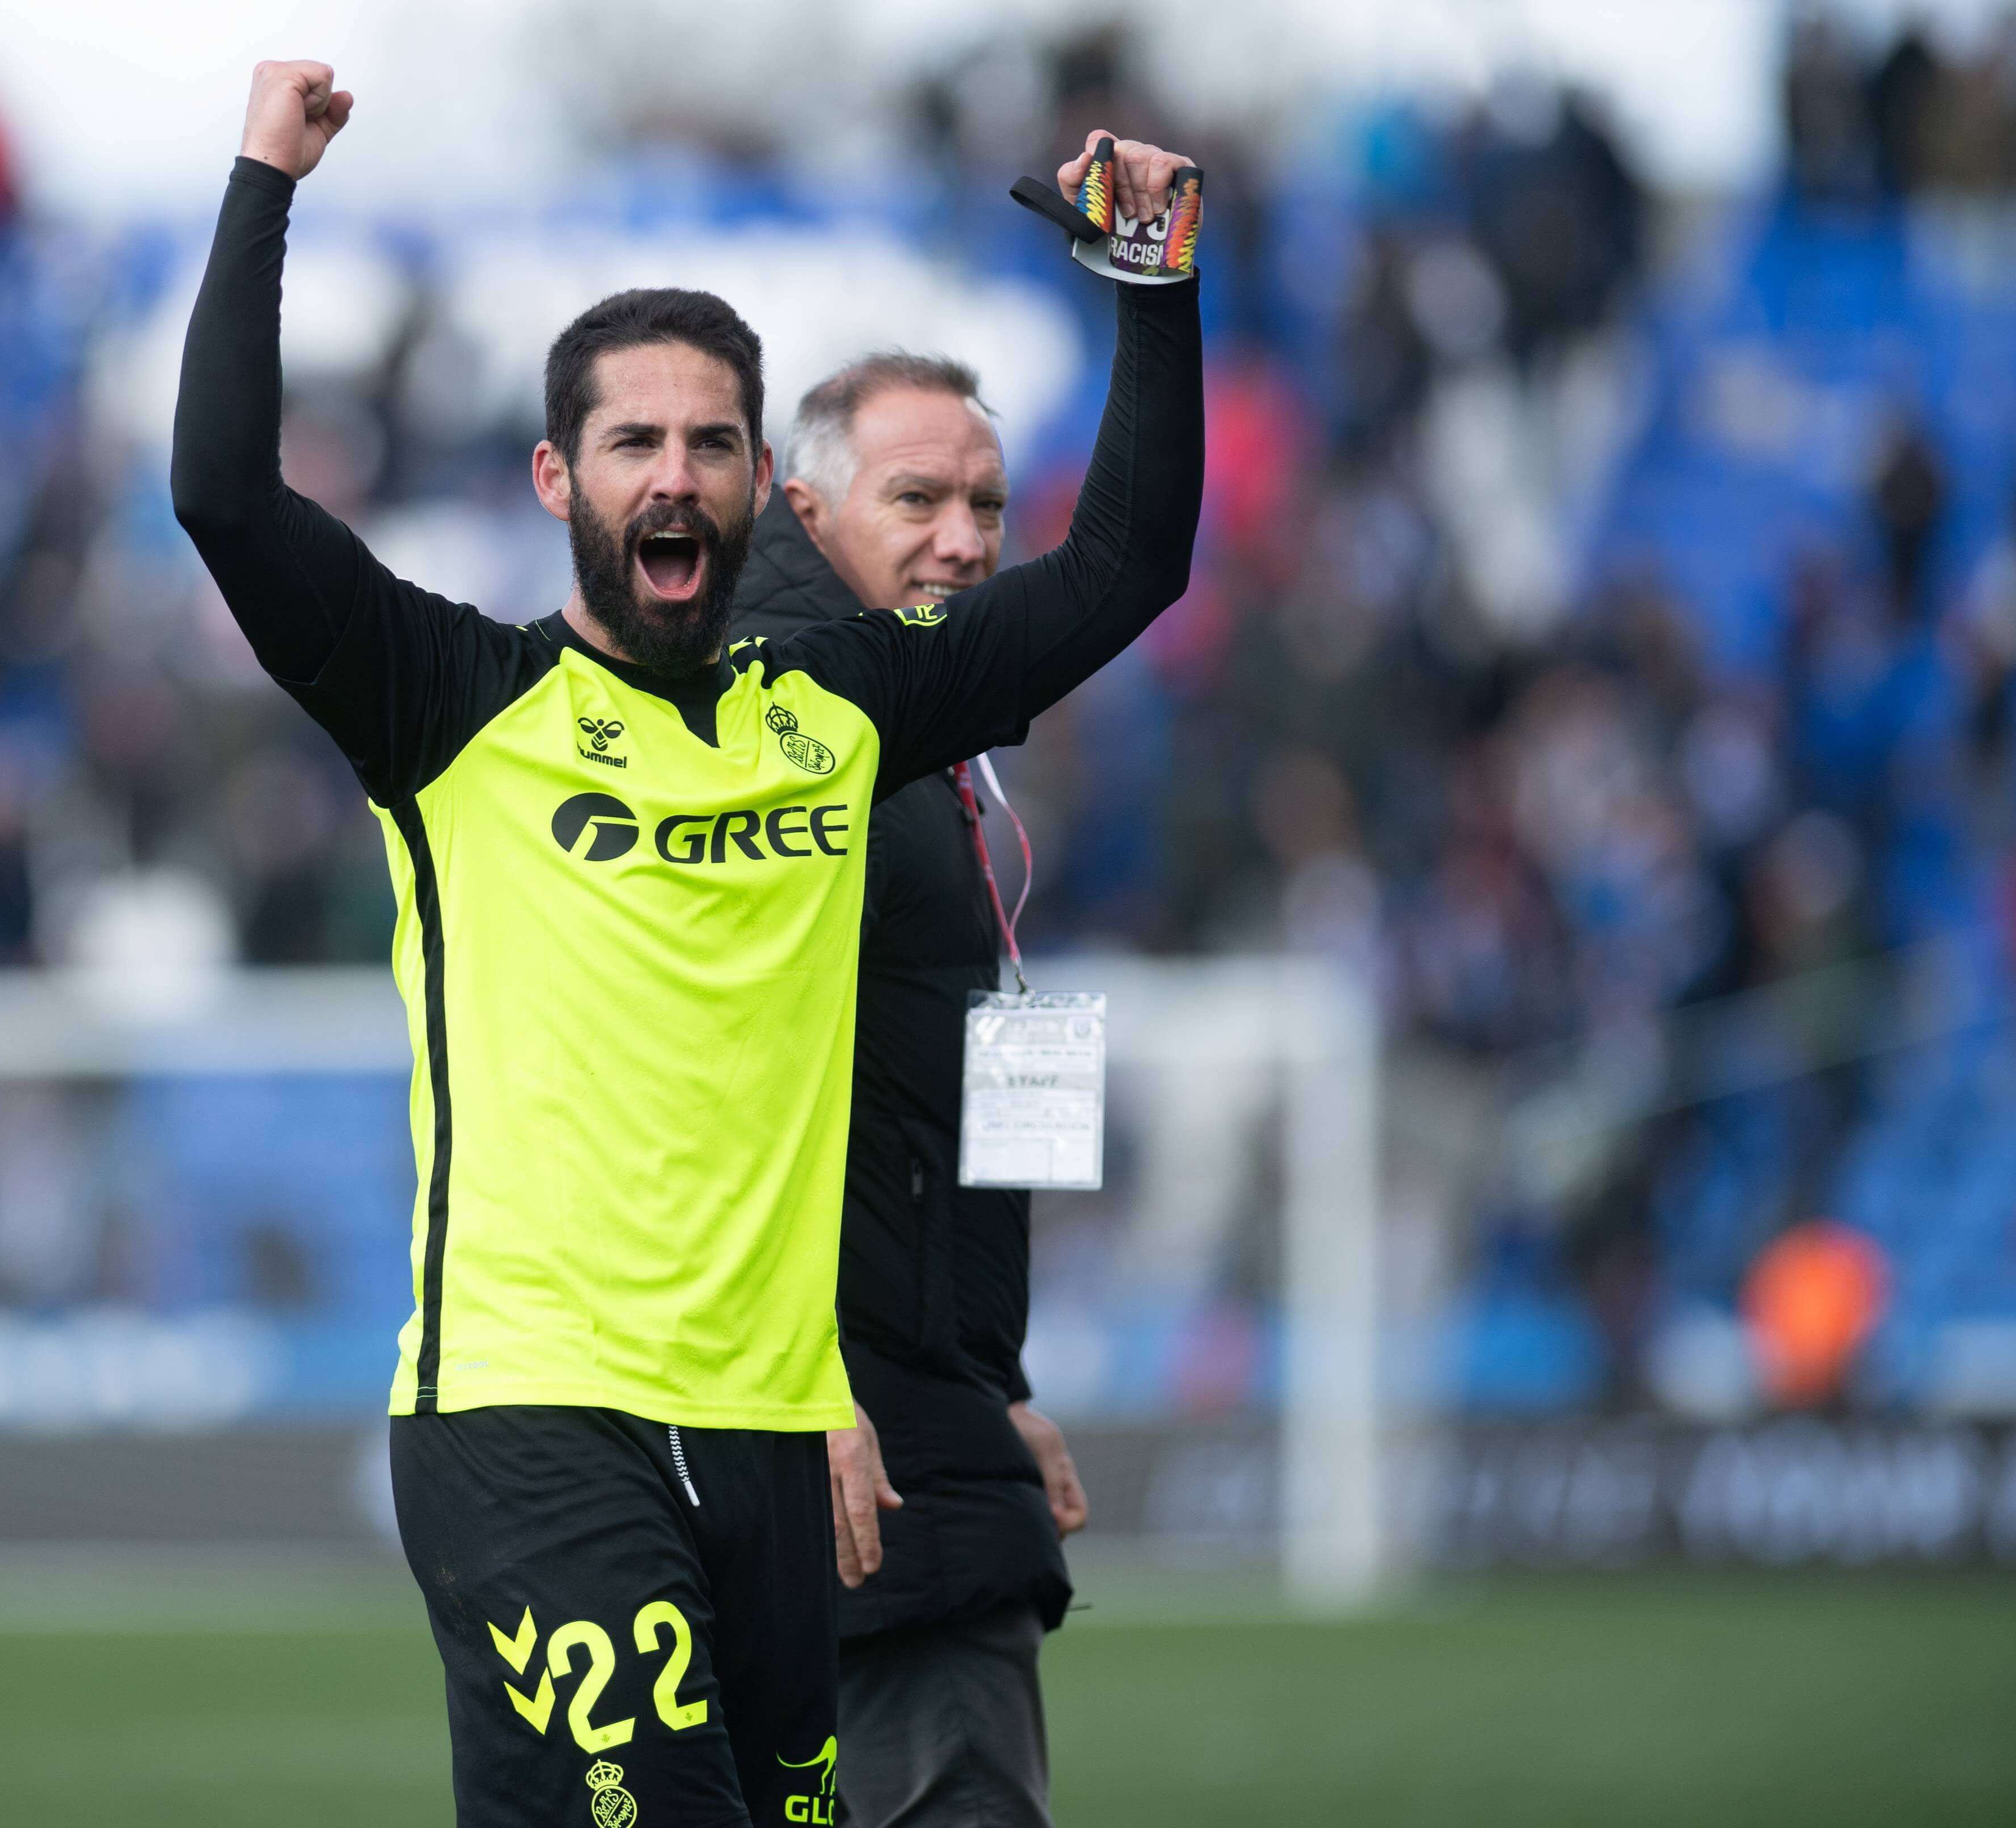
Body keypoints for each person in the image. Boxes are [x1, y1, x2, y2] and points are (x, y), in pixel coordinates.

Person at [172, 59, 1201, 1827]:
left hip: (774, 1443)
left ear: (757, 483)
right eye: (635, 443)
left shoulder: (840, 705)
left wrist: (1154, 283)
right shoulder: (451, 701)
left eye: (712, 442)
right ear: (557, 476)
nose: (676, 474)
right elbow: (224, 498)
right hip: (531, 1417)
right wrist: (266, 179)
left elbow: (1124, 570)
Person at [731, 353, 1089, 1826]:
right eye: (919, 498)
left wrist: (990, 1385)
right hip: (859, 1466)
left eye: (988, 505)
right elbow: (731, 1098)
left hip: (906, 1418)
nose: (964, 538)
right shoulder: (780, 726)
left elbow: (901, 1111)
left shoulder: (902, 713)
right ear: (807, 510)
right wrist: (803, 1388)